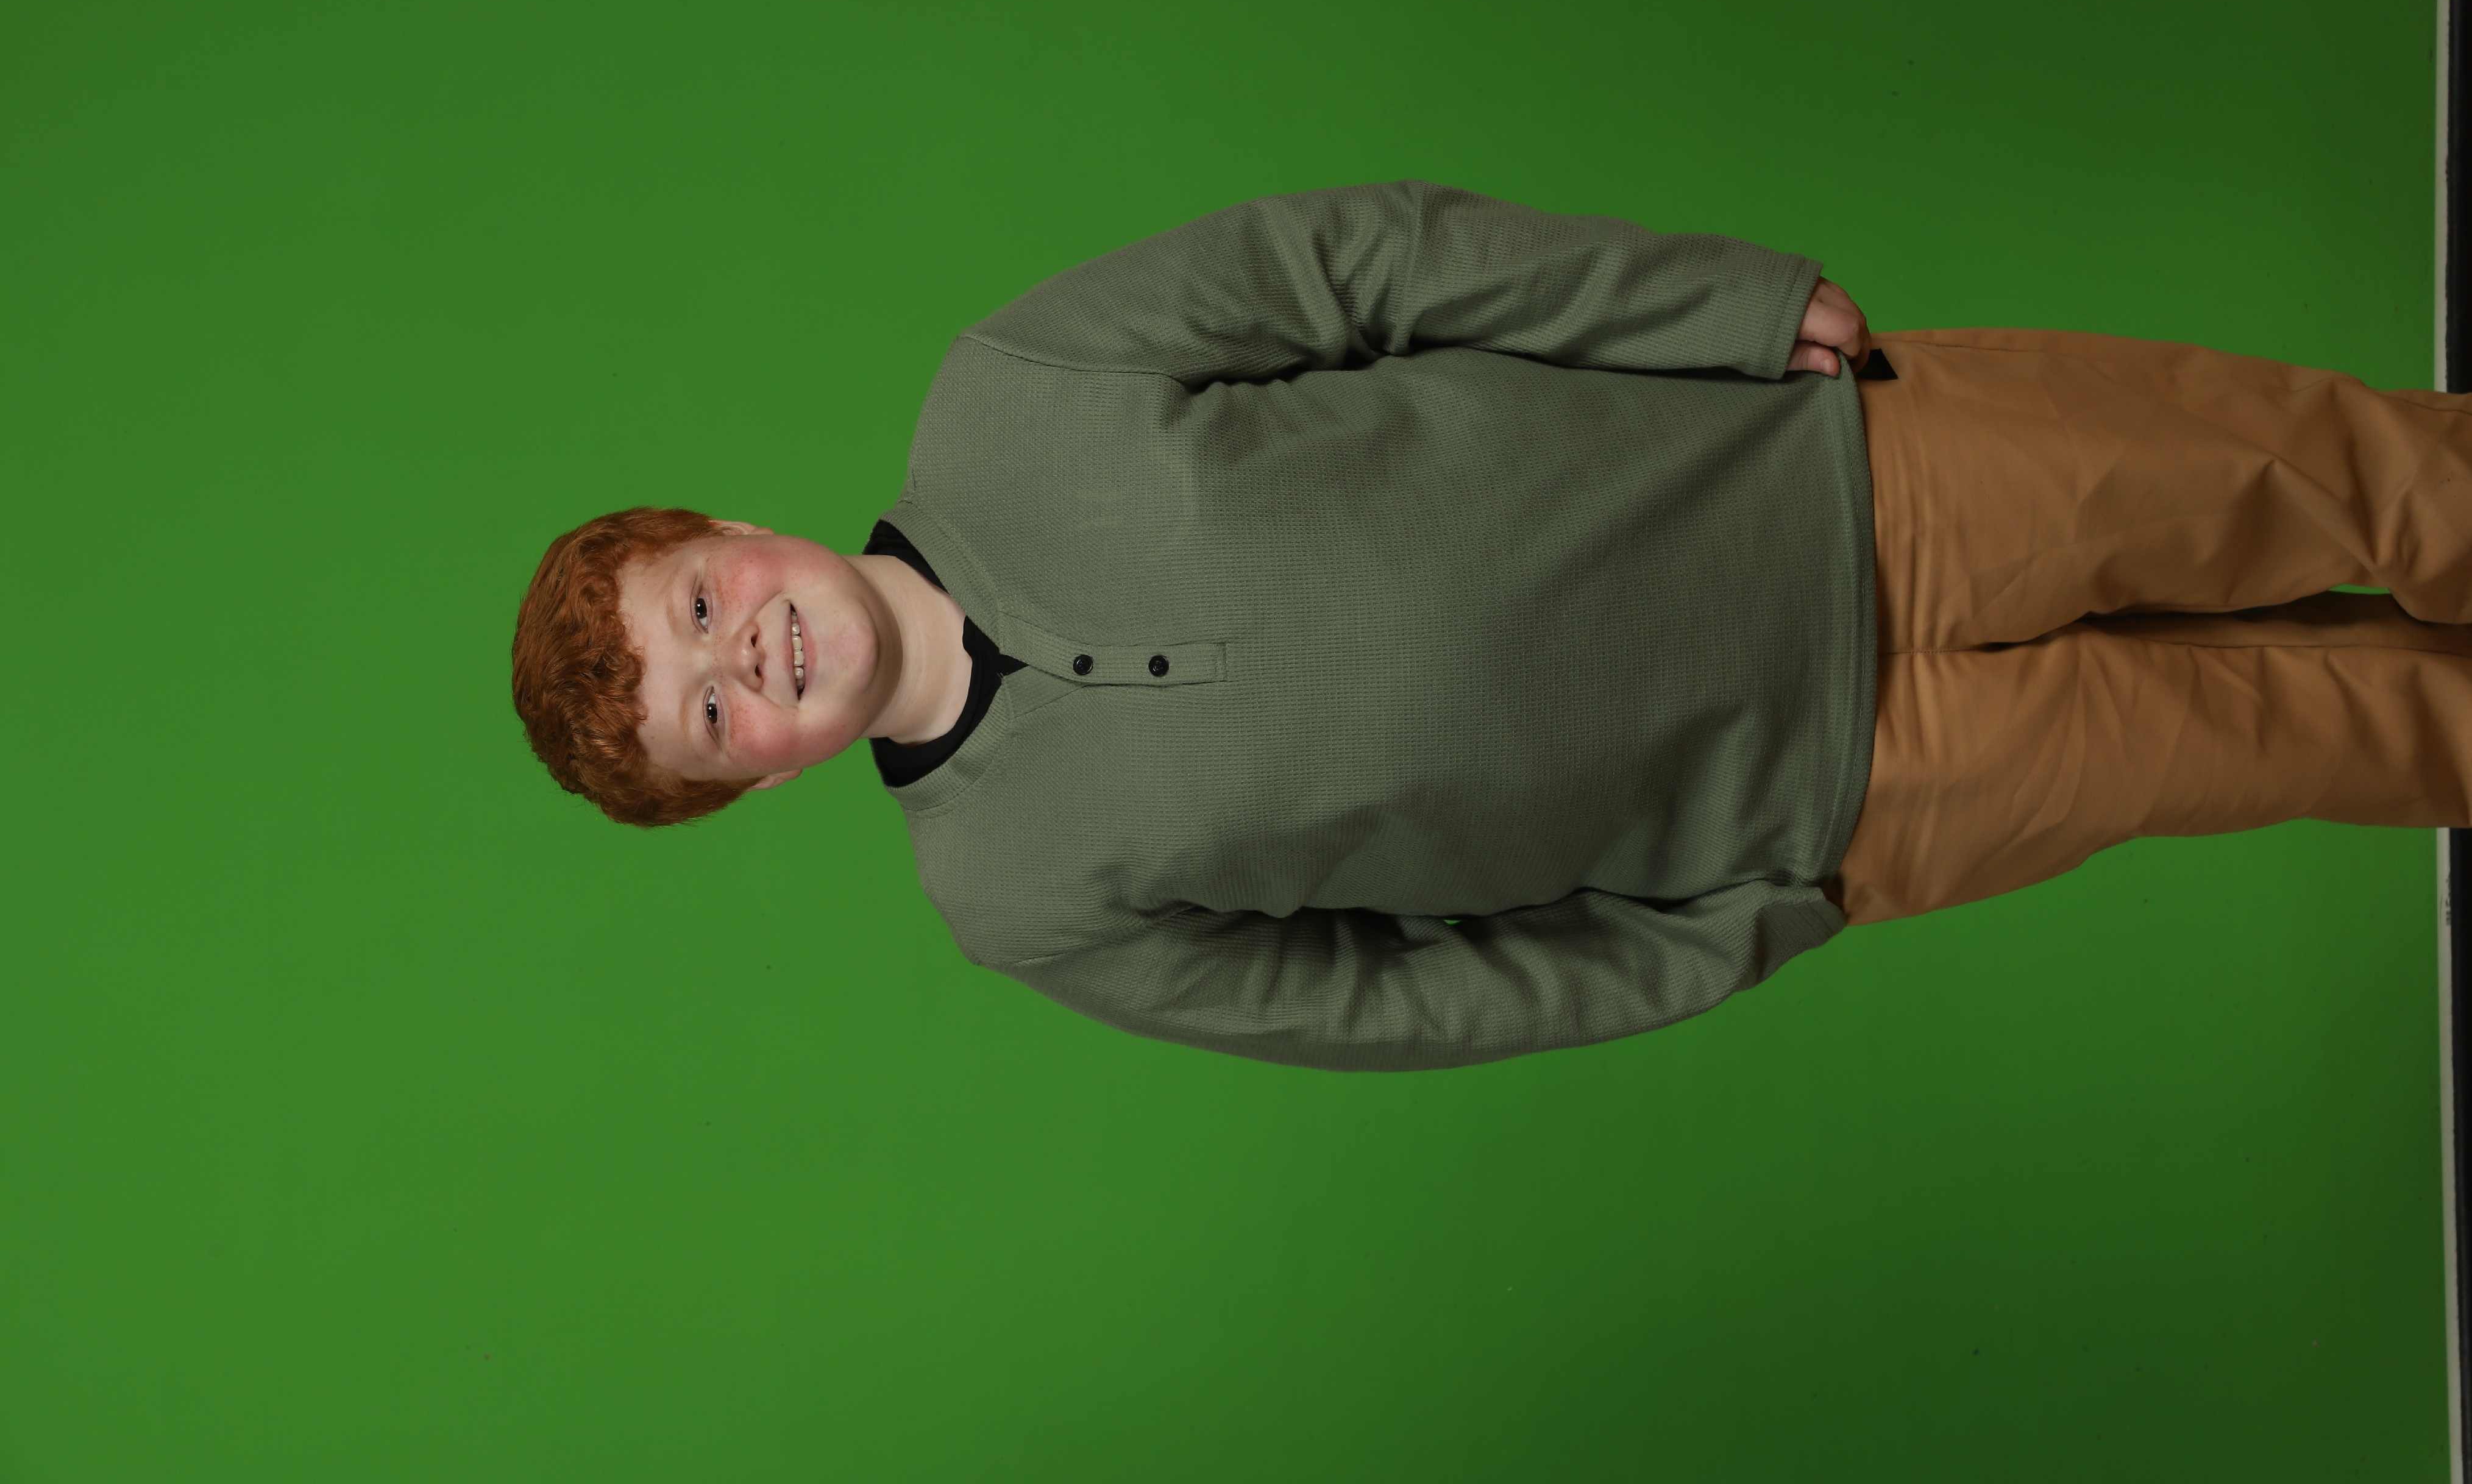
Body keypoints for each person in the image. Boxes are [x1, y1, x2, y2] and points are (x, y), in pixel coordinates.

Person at [511, 181, 2472, 1070]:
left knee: (2335, 476)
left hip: (1832, 475)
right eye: (708, 717)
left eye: (702, 607)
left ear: (735, 530)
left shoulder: (1009, 390)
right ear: (755, 783)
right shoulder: (1012, 904)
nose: (742, 659)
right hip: (1840, 796)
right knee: (2310, 735)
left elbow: (1361, 263)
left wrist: (1712, 307)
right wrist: (1715, 938)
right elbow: (1389, 1006)